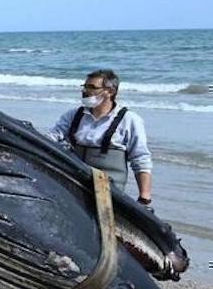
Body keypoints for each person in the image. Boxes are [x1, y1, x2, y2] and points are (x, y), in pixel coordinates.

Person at [49, 68, 153, 205]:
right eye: (85, 86)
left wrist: (144, 197)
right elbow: (51, 138)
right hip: (74, 183)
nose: (85, 91)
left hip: (109, 191)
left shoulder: (129, 120)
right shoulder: (74, 115)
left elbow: (140, 158)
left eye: (92, 87)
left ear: (110, 91)